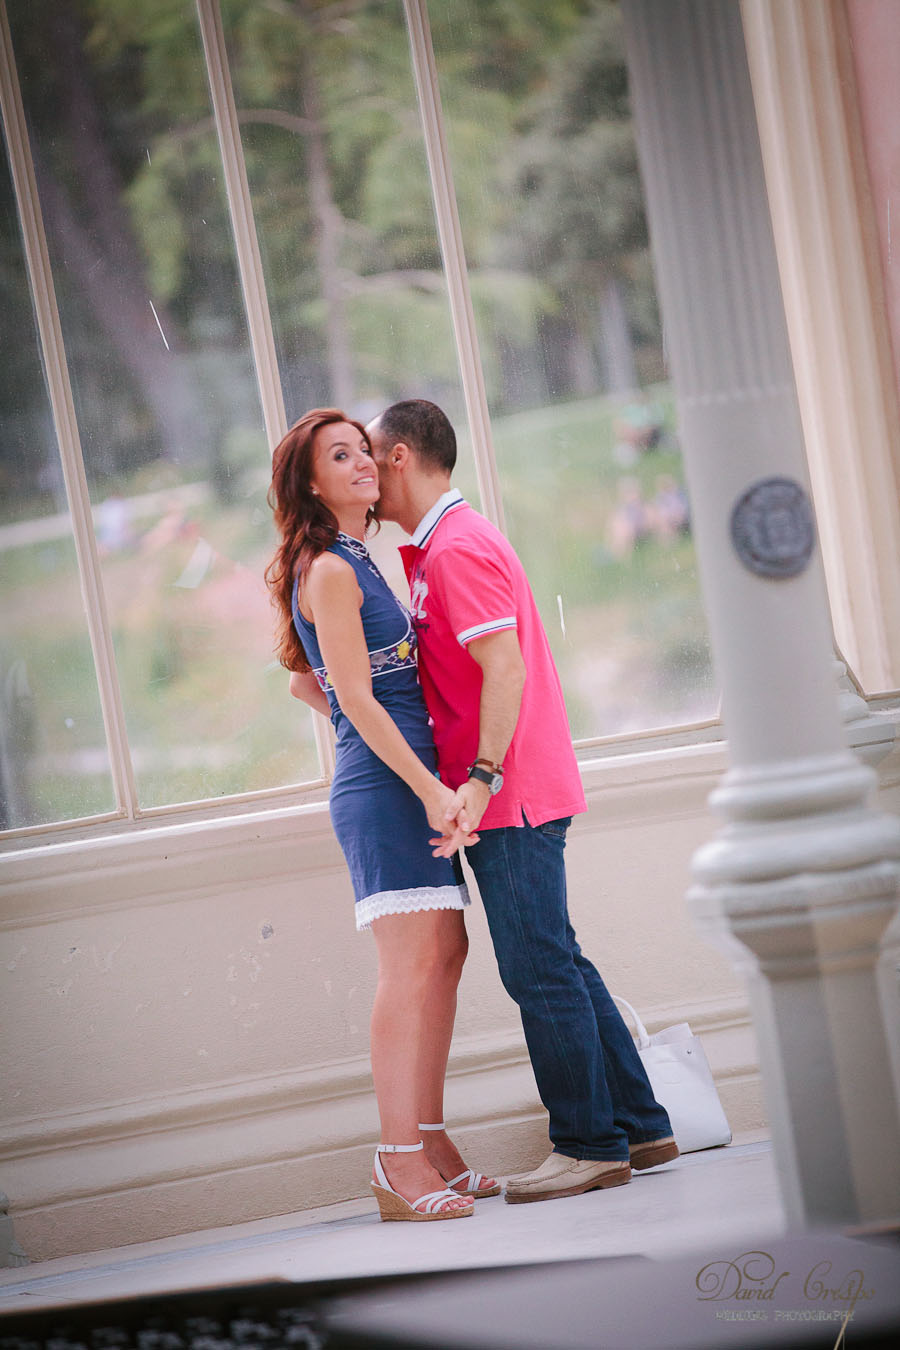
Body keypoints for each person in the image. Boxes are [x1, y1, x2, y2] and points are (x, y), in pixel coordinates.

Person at [366, 399, 678, 1204]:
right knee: (558, 959)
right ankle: (641, 1126)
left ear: (401, 456)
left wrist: (479, 778)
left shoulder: (459, 548)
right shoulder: (440, 546)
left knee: (537, 969)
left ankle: (588, 1146)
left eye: (370, 457)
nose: (365, 476)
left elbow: (505, 671)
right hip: (516, 789)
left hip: (512, 794)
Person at [266, 407, 499, 1222]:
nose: (364, 462)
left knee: (446, 952)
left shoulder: (355, 561)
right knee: (410, 971)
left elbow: (309, 681)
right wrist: (431, 786)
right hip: (386, 793)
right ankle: (397, 1158)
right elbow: (354, 699)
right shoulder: (331, 568)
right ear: (311, 483)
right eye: (342, 455)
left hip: (403, 785)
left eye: (364, 449)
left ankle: (430, 1140)